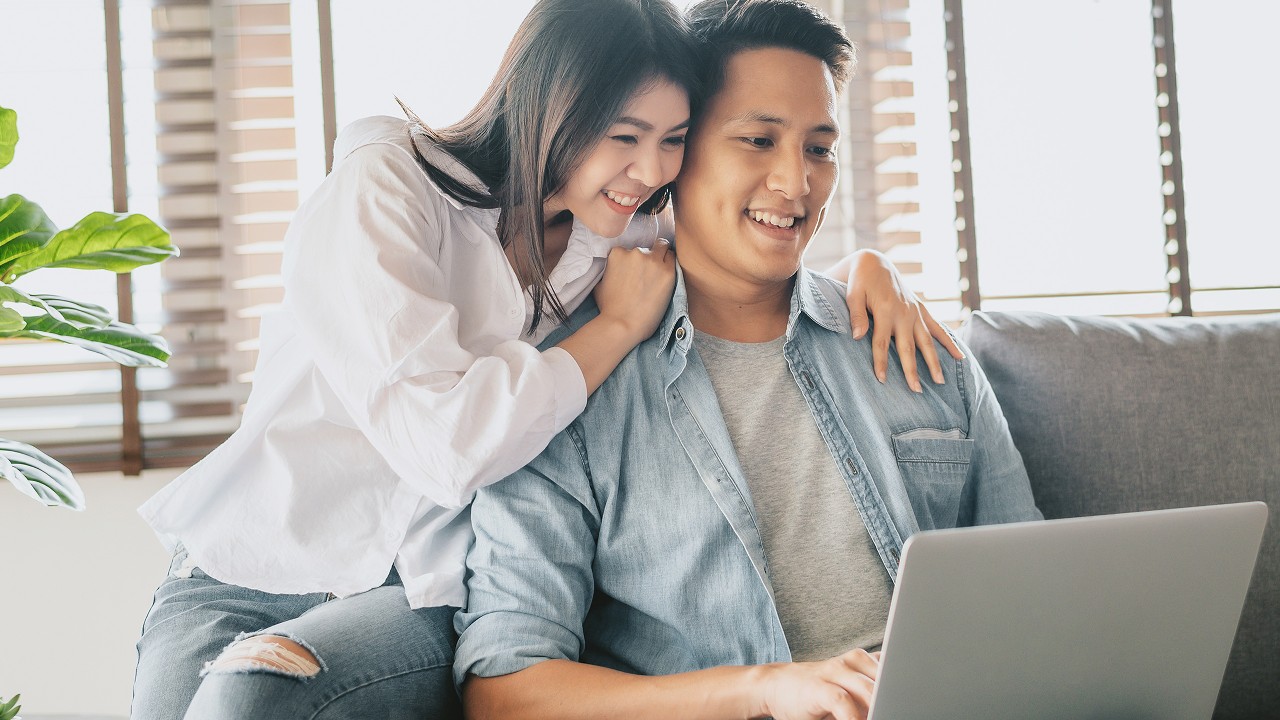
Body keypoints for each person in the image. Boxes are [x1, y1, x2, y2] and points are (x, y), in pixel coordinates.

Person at [131, 0, 955, 718]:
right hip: (252, 558)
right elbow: (445, 447)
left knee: (253, 700)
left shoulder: (616, 222)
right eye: (623, 135)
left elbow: (749, 238)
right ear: (547, 107)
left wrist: (866, 271)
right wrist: (614, 330)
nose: (650, 170)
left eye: (672, 139)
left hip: (415, 582)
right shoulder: (388, 191)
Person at [454, 2, 1043, 719]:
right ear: (677, 153)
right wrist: (761, 691)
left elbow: (1040, 595)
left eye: (819, 149)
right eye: (759, 140)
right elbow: (504, 691)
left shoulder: (920, 351)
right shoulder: (568, 390)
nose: (796, 184)